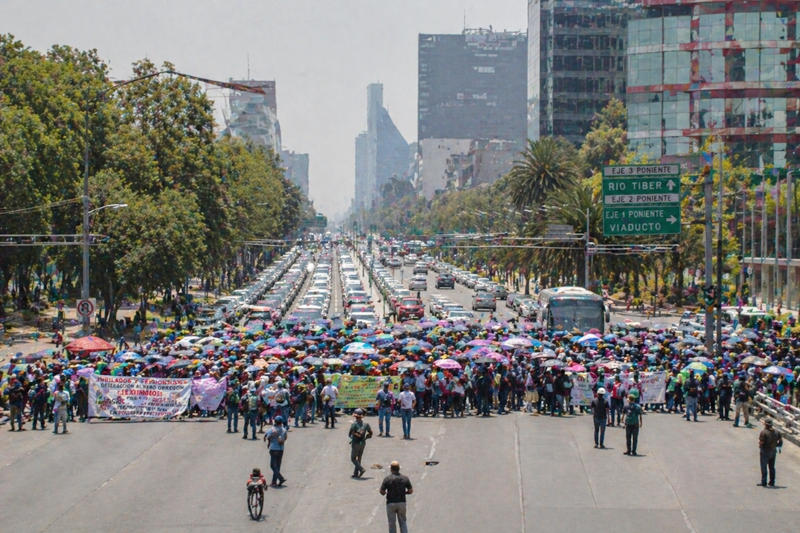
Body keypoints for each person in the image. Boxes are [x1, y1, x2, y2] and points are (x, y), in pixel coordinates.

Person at [380, 461, 413, 533]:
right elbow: (410, 491)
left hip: (390, 503)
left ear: (391, 469)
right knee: (403, 522)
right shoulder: (405, 478)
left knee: (392, 523)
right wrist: (405, 492)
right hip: (402, 503)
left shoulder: (387, 479)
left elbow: (382, 491)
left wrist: (386, 493)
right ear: (399, 468)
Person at [758, 418, 783, 487]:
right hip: (773, 451)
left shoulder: (763, 432)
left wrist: (759, 443)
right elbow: (780, 441)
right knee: (772, 467)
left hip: (765, 451)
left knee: (764, 467)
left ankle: (764, 482)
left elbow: (762, 442)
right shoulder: (777, 432)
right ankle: (772, 482)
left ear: (765, 424)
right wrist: (776, 446)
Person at [264, 416, 288, 487]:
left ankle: (280, 478)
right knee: (277, 465)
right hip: (281, 449)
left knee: (272, 465)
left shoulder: (271, 429)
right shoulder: (284, 429)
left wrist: (269, 443)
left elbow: (268, 437)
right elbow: (286, 437)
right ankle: (274, 481)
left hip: (273, 448)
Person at [349, 408, 373, 478]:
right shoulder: (366, 424)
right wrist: (367, 436)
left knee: (353, 458)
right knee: (359, 457)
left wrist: (357, 435)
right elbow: (371, 431)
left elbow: (352, 433)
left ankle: (361, 469)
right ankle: (356, 473)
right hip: (363, 443)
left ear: (355, 416)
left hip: (356, 443)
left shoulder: (354, 424)